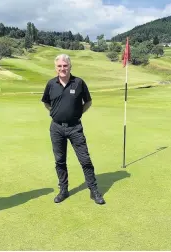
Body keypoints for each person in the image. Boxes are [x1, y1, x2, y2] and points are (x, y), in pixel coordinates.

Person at [41, 54, 105, 205]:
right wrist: (54, 112)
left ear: (70, 66)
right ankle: (63, 190)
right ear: (55, 68)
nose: (62, 68)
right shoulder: (51, 84)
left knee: (85, 159)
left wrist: (78, 113)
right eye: (59, 66)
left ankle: (93, 190)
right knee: (60, 161)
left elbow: (88, 102)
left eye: (65, 65)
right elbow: (46, 102)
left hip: (75, 127)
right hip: (56, 128)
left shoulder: (79, 83)